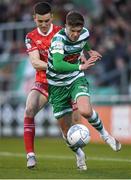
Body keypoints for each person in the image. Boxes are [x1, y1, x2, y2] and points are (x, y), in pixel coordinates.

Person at [47, 11, 121, 170]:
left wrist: (89, 51)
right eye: (72, 31)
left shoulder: (84, 33)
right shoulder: (58, 40)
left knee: (85, 111)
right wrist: (82, 66)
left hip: (75, 78)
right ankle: (79, 154)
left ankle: (105, 135)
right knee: (67, 133)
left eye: (78, 31)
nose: (75, 34)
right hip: (57, 85)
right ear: (66, 26)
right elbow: (58, 64)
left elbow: (83, 41)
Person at [24, 2, 62, 169]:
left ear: (51, 17)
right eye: (40, 21)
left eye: (47, 20)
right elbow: (35, 62)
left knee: (69, 130)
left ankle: (79, 155)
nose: (44, 24)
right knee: (29, 108)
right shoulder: (30, 36)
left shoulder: (61, 33)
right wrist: (56, 65)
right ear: (35, 19)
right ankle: (30, 155)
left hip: (62, 83)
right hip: (43, 82)